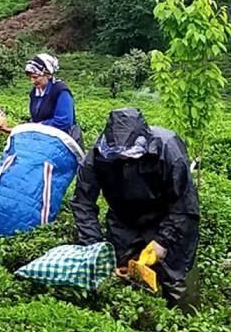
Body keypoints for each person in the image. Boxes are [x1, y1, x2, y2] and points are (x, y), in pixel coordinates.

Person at [70, 107, 200, 311]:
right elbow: (83, 201)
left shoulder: (168, 149)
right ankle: (135, 325)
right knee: (122, 277)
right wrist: (93, 246)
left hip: (168, 217)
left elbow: (184, 206)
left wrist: (163, 240)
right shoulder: (98, 153)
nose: (123, 160)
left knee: (176, 279)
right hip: (124, 221)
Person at [24, 53, 83, 147]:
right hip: (42, 139)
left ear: (48, 75)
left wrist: (39, 126)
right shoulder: (34, 93)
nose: (32, 81)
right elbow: (35, 118)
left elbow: (64, 122)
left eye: (35, 77)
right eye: (30, 77)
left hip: (63, 142)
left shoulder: (61, 91)